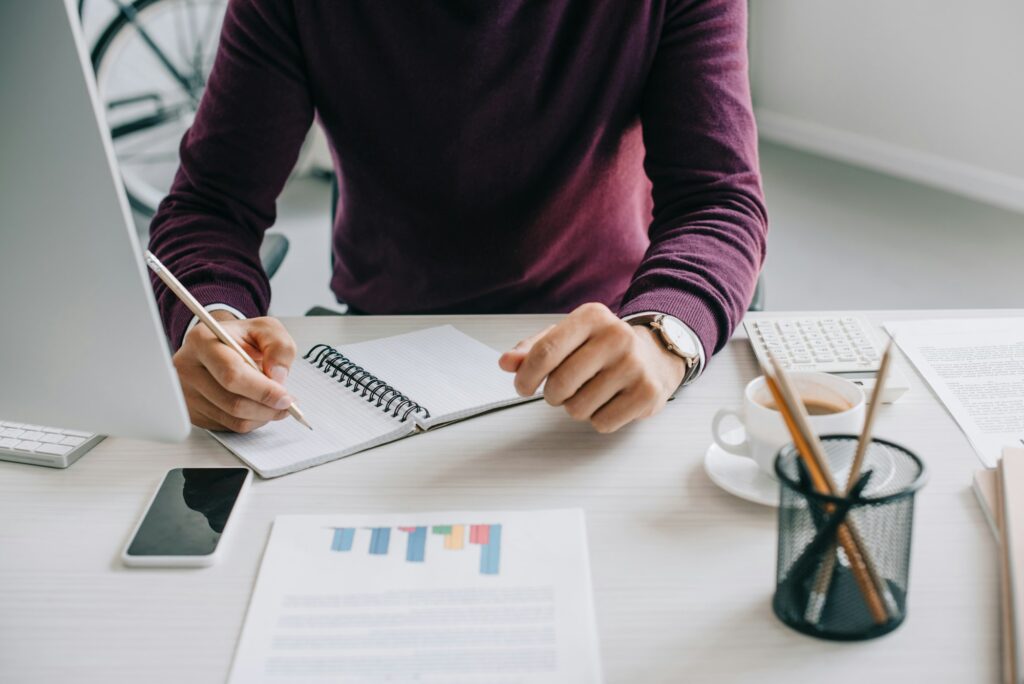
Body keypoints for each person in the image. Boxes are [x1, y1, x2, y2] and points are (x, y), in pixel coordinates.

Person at [148, 0, 767, 435]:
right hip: (382, 342)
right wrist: (212, 319)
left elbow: (717, 199)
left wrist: (663, 334)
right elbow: (212, 203)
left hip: (604, 335)